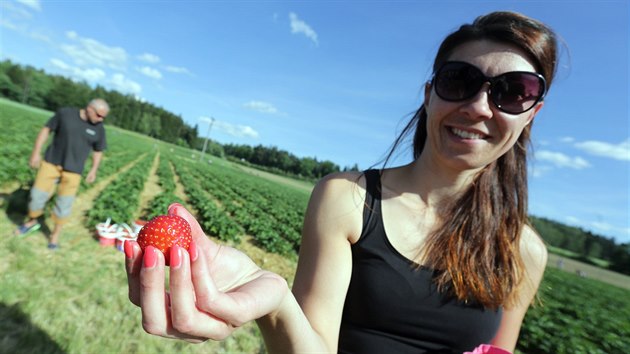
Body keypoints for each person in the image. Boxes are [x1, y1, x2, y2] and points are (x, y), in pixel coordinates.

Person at [125, 11, 557, 353]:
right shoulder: (349, 201)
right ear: (430, 94)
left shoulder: (524, 252)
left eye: (513, 90)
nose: (479, 106)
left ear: (532, 114)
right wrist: (277, 304)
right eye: (459, 81)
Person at [15, 98, 109, 250]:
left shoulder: (99, 128)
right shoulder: (65, 114)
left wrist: (93, 170)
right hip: (51, 163)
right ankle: (32, 221)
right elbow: (46, 129)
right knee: (36, 196)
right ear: (90, 108)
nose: (101, 119)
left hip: (73, 171)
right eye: (99, 115)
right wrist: (35, 153)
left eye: (104, 117)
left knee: (64, 205)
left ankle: (54, 236)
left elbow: (98, 151)